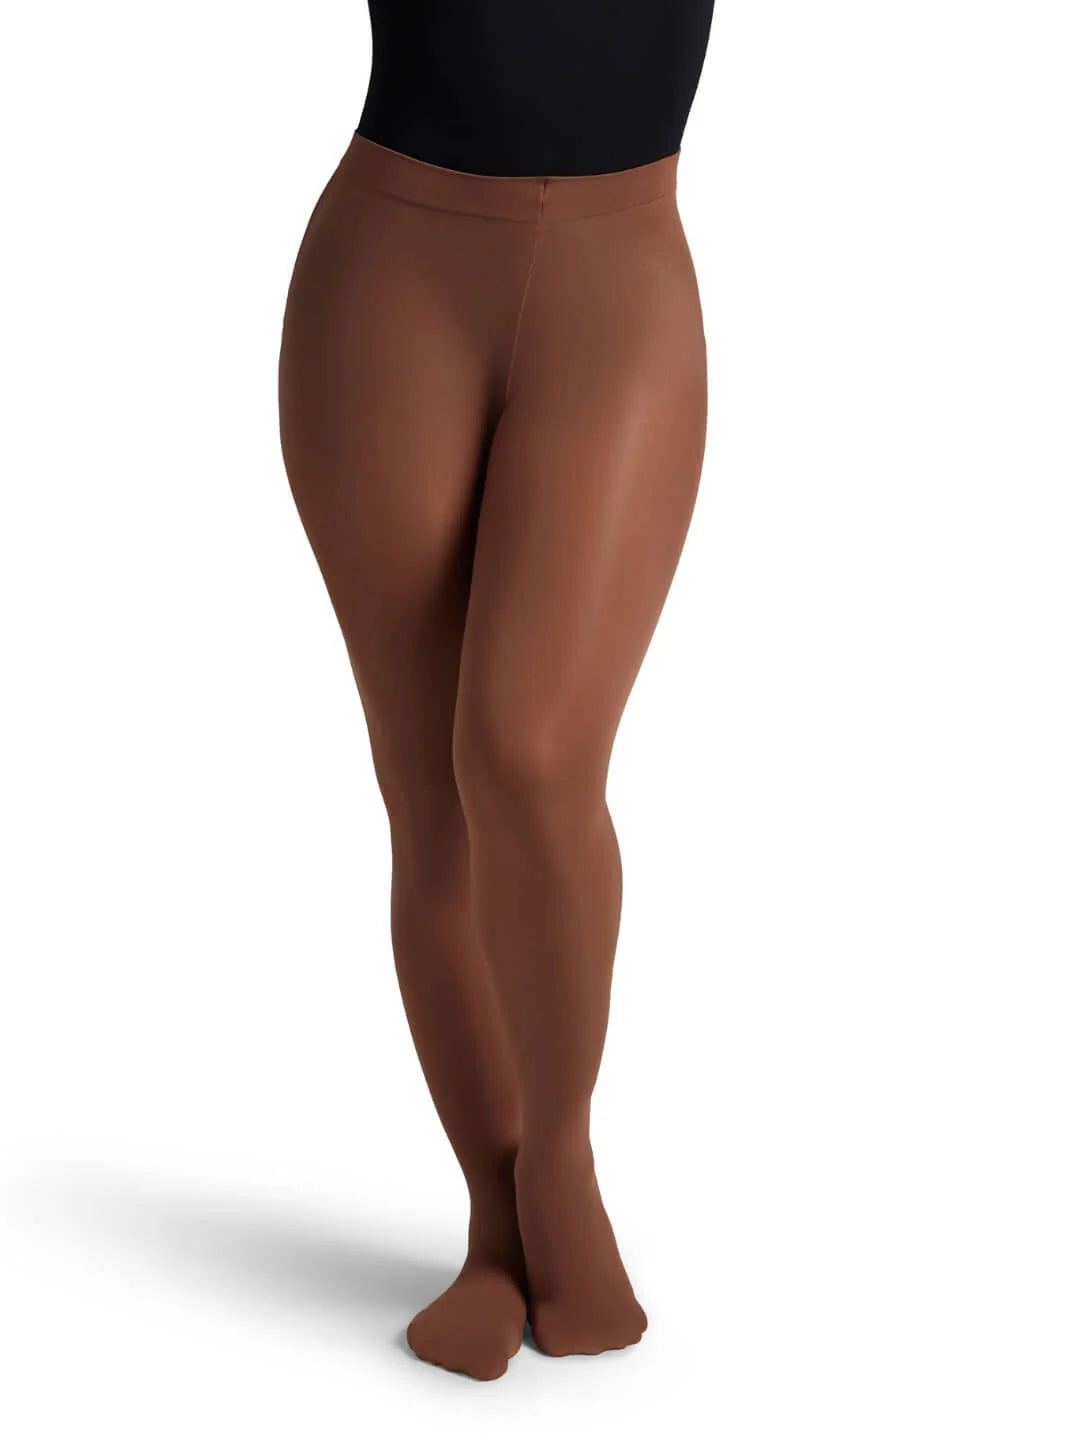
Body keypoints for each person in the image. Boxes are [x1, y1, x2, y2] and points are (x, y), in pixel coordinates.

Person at [278, 0, 715, 1382]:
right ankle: (492, 1220)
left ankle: (557, 1163)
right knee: (430, 794)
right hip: (388, 269)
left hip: (618, 277)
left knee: (527, 754)